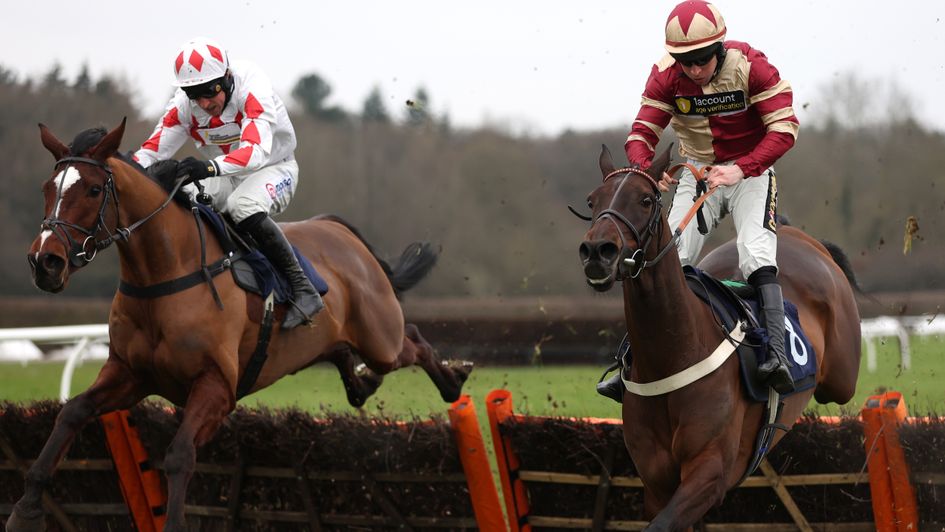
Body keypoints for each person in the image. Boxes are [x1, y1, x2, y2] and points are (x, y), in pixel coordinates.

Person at [597, 0, 799, 402]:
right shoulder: (665, 76)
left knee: (754, 254)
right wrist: (648, 175)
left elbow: (786, 127)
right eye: (684, 61)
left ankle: (776, 355)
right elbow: (640, 135)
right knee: (667, 257)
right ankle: (630, 360)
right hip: (697, 170)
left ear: (720, 48)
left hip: (750, 172)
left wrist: (742, 168)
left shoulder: (753, 66)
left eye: (702, 60)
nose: (693, 69)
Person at [133, 37, 323, 329]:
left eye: (211, 92)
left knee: (242, 205)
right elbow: (149, 153)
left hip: (274, 168)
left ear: (228, 78)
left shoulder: (252, 86)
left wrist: (207, 167)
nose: (205, 104)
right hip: (225, 175)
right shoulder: (185, 106)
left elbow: (254, 152)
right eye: (195, 96)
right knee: (178, 198)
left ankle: (303, 287)